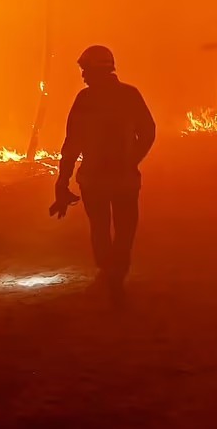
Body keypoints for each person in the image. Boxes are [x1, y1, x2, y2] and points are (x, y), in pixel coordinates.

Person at [53, 45, 156, 303]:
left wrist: (62, 182)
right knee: (125, 230)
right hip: (124, 180)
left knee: (100, 228)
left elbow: (72, 143)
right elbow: (148, 132)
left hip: (94, 180)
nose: (83, 75)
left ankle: (109, 274)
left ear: (96, 69)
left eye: (85, 70)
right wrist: (131, 160)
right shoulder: (130, 95)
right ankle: (115, 277)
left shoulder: (85, 100)